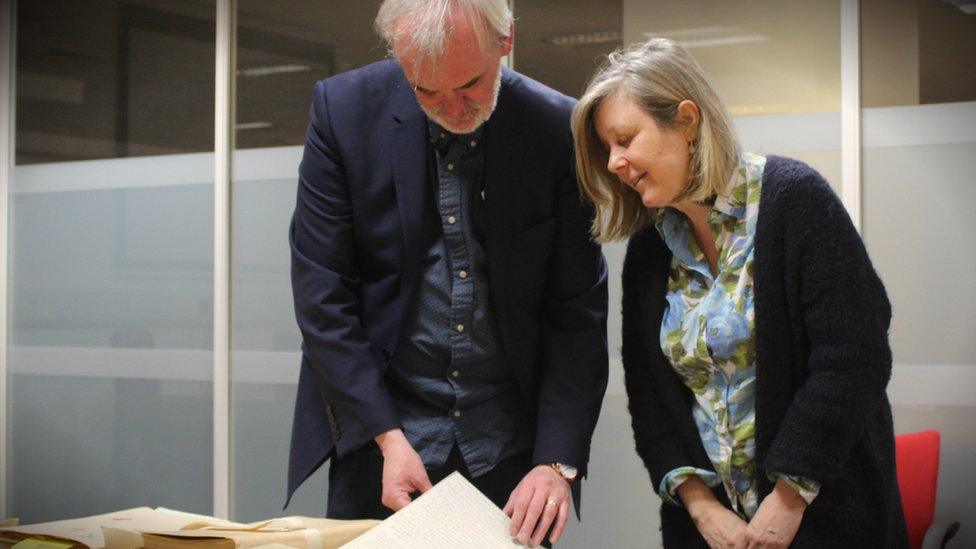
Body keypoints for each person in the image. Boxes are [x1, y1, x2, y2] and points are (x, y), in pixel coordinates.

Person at [285, 1, 609, 546]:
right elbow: (323, 296)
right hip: (380, 437)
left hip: (511, 452)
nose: (449, 107)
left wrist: (557, 463)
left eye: (468, 85)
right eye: (424, 90)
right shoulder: (344, 111)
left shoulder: (558, 128)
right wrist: (386, 439)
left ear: (504, 43)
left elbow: (575, 312)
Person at [572, 38, 908, 548]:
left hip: (825, 518)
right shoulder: (649, 249)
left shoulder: (794, 201)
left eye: (624, 139)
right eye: (606, 149)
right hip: (711, 532)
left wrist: (789, 497)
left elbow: (854, 357)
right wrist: (701, 506)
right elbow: (650, 396)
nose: (615, 162)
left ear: (686, 121)